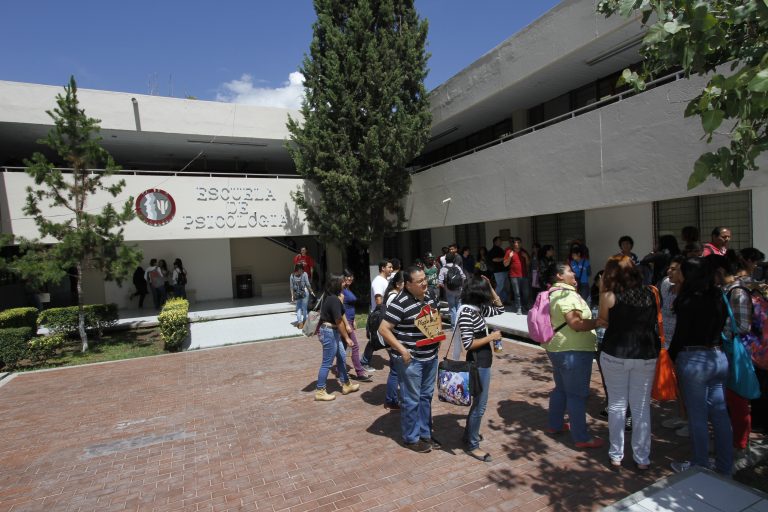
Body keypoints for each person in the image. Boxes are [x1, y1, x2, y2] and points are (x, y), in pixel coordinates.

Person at [668, 257, 732, 474]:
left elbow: (680, 335)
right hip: (718, 357)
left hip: (694, 360)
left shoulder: (687, 300)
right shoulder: (718, 296)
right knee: (720, 413)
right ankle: (725, 466)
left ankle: (700, 464)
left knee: (697, 416)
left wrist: (671, 356)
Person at [598, 255, 660, 469]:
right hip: (645, 354)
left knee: (617, 405)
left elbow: (603, 321)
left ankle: (616, 454)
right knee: (641, 407)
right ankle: (642, 458)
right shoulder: (650, 293)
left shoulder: (609, 295)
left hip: (615, 352)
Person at [378, 266, 444, 453]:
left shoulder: (429, 295)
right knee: (411, 399)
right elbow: (384, 329)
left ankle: (425, 434)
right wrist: (402, 350)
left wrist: (437, 335)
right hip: (411, 360)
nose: (425, 283)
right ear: (408, 284)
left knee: (426, 397)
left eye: (425, 279)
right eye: (420, 281)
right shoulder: (400, 302)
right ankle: (411, 438)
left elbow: (435, 315)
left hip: (430, 356)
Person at [543, 263, 604, 450]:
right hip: (573, 350)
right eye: (569, 271)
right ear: (559, 276)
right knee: (576, 395)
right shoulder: (566, 295)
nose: (573, 273)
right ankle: (581, 437)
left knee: (561, 389)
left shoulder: (551, 294)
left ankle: (555, 425)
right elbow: (576, 324)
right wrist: (599, 322)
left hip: (557, 348)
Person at [457, 276, 505, 461]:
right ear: (478, 293)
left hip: (484, 360)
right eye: (485, 290)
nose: (488, 294)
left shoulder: (478, 309)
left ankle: (469, 435)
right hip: (478, 362)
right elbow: (468, 343)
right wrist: (492, 338)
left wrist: (491, 287)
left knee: (478, 403)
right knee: (480, 405)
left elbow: (500, 308)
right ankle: (472, 445)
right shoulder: (467, 312)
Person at [721, 252, 756, 458]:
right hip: (727, 348)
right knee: (728, 398)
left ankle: (741, 445)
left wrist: (723, 331)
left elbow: (743, 326)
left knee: (738, 398)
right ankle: (733, 440)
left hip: (736, 350)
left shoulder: (738, 293)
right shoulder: (726, 290)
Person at [314, 274, 360, 401]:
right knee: (327, 363)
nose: (344, 284)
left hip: (332, 332)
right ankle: (320, 390)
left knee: (341, 356)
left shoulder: (334, 298)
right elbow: (338, 321)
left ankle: (346, 384)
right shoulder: (333, 299)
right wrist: (347, 338)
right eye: (341, 283)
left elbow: (341, 315)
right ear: (336, 285)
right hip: (329, 332)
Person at [360, 260, 393, 372]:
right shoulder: (378, 281)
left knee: (388, 339)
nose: (391, 269)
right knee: (374, 340)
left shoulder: (385, 280)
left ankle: (395, 360)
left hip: (384, 314)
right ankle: (364, 361)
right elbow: (379, 300)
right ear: (383, 268)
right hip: (379, 315)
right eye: (389, 267)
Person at [341, 269, 371, 381]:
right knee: (354, 346)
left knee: (344, 347)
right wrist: (347, 323)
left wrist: (353, 320)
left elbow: (349, 305)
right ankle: (360, 372)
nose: (349, 278)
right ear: (343, 278)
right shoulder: (341, 289)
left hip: (349, 320)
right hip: (345, 322)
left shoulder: (347, 288)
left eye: (351, 276)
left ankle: (341, 371)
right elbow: (341, 308)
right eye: (347, 276)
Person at [382, 271, 405, 410]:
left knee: (395, 369)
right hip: (393, 338)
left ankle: (392, 398)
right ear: (398, 284)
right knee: (396, 371)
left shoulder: (394, 295)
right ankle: (391, 399)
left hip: (393, 338)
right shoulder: (393, 297)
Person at [438, 253, 466, 337]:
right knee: (459, 307)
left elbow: (440, 282)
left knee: (452, 308)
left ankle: (454, 327)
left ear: (446, 260)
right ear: (454, 259)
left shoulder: (443, 269)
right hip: (459, 290)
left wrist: (446, 288)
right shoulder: (457, 267)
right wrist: (460, 286)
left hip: (449, 291)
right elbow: (463, 277)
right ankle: (460, 325)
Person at [503, 237, 526, 314]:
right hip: (514, 276)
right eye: (515, 242)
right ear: (513, 243)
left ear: (521, 243)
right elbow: (505, 264)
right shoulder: (509, 252)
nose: (517, 244)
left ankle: (525, 306)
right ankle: (519, 308)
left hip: (524, 275)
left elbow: (528, 264)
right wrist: (509, 257)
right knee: (517, 293)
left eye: (518, 242)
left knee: (525, 292)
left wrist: (526, 257)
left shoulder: (524, 252)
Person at [290, 264, 313, 329]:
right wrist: (311, 291)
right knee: (304, 308)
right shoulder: (304, 273)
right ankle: (305, 321)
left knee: (298, 308)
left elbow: (291, 287)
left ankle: (300, 323)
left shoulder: (292, 275)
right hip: (305, 292)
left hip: (297, 293)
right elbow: (308, 284)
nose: (301, 270)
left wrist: (292, 295)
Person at [488, 237, 508, 304]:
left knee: (503, 287)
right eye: (500, 241)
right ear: (495, 242)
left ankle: (503, 300)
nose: (501, 242)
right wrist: (504, 258)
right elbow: (494, 259)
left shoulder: (499, 249)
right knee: (500, 286)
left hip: (503, 270)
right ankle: (493, 300)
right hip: (498, 271)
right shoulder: (494, 250)